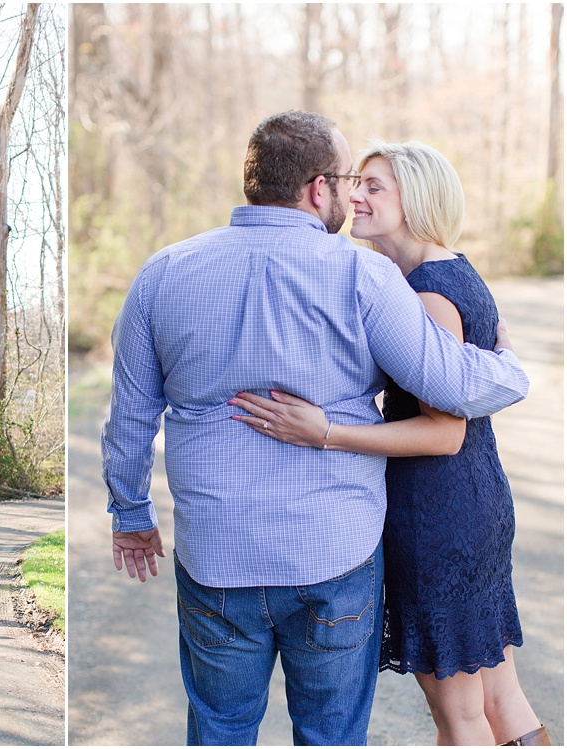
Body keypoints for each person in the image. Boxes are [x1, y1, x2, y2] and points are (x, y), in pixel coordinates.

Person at [100, 110, 530, 746]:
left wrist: (131, 515)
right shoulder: (363, 276)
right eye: (349, 179)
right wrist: (511, 366)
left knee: (219, 730)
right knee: (331, 736)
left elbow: (129, 417)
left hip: (219, 558)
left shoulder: (162, 273)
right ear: (317, 188)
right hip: (335, 558)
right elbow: (454, 387)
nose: (354, 195)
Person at [229, 141, 549, 746]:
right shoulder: (447, 270)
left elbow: (445, 432)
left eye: (376, 188)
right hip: (473, 505)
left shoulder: (426, 293)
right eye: (358, 185)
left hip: (438, 516)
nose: (356, 197)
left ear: (416, 200)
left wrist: (324, 432)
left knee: (460, 716)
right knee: (501, 696)